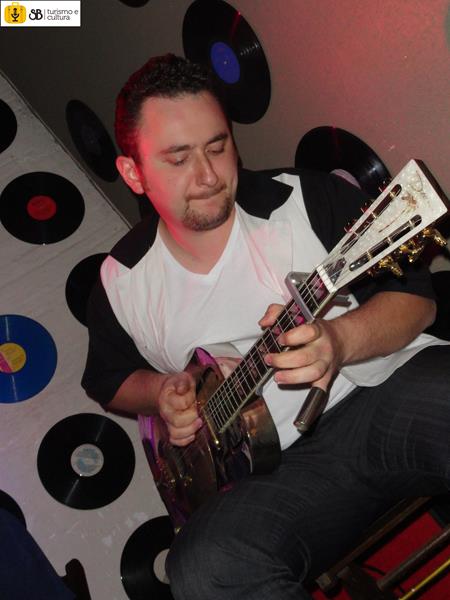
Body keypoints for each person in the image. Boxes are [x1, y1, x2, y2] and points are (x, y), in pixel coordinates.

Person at [81, 54, 450, 599]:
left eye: (217, 147)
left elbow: (417, 302)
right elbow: (108, 381)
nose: (208, 176)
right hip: (273, 481)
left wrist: (339, 341)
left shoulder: (302, 195)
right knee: (201, 568)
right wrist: (161, 392)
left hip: (381, 397)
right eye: (179, 158)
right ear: (134, 173)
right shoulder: (121, 282)